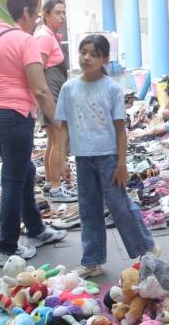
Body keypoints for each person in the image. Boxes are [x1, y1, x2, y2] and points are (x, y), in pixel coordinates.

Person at [0, 0, 67, 266]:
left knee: (26, 169)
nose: (36, 20)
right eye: (36, 14)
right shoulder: (25, 41)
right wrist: (57, 124)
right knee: (13, 180)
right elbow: (39, 89)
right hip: (13, 115)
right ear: (25, 12)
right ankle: (7, 249)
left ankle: (36, 230)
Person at [55, 34, 159, 278]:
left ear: (104, 58)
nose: (86, 58)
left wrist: (122, 164)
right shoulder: (68, 88)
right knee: (88, 210)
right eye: (83, 52)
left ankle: (147, 249)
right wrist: (61, 160)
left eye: (93, 54)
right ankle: (92, 260)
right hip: (82, 158)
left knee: (120, 206)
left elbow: (121, 130)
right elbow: (63, 128)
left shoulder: (112, 89)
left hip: (109, 158)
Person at [34, 0, 75, 203]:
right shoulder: (44, 36)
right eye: (57, 12)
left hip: (54, 90)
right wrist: (45, 99)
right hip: (50, 93)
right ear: (45, 14)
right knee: (58, 139)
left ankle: (51, 184)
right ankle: (57, 187)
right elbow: (37, 69)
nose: (62, 16)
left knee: (52, 140)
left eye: (64, 12)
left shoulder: (49, 35)